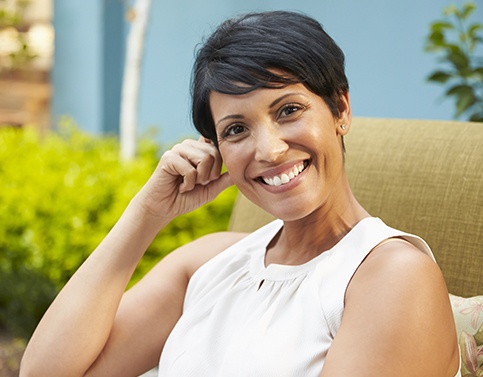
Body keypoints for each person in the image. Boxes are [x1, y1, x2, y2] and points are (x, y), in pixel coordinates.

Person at [20, 10, 460, 377]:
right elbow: (46, 371)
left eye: (288, 110)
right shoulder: (209, 263)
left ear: (340, 109)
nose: (269, 150)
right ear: (216, 149)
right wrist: (146, 214)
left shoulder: (391, 275)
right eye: (236, 130)